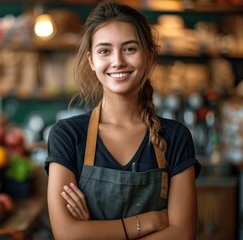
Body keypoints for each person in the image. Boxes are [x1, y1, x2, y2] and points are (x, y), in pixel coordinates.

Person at [44, 1, 202, 239]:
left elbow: (183, 234)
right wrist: (145, 222)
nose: (117, 61)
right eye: (104, 51)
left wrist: (96, 232)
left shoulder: (175, 137)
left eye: (129, 49)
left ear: (149, 55)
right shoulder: (67, 135)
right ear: (91, 61)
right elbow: (67, 234)